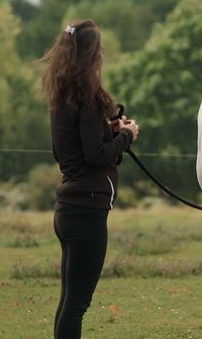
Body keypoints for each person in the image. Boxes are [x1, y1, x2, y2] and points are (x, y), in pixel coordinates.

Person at [40, 19, 139, 339]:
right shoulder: (89, 97)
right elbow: (96, 156)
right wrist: (126, 135)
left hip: (67, 210)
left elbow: (62, 151)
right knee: (77, 304)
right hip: (87, 210)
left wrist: (105, 131)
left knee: (69, 300)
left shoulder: (61, 97)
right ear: (93, 53)